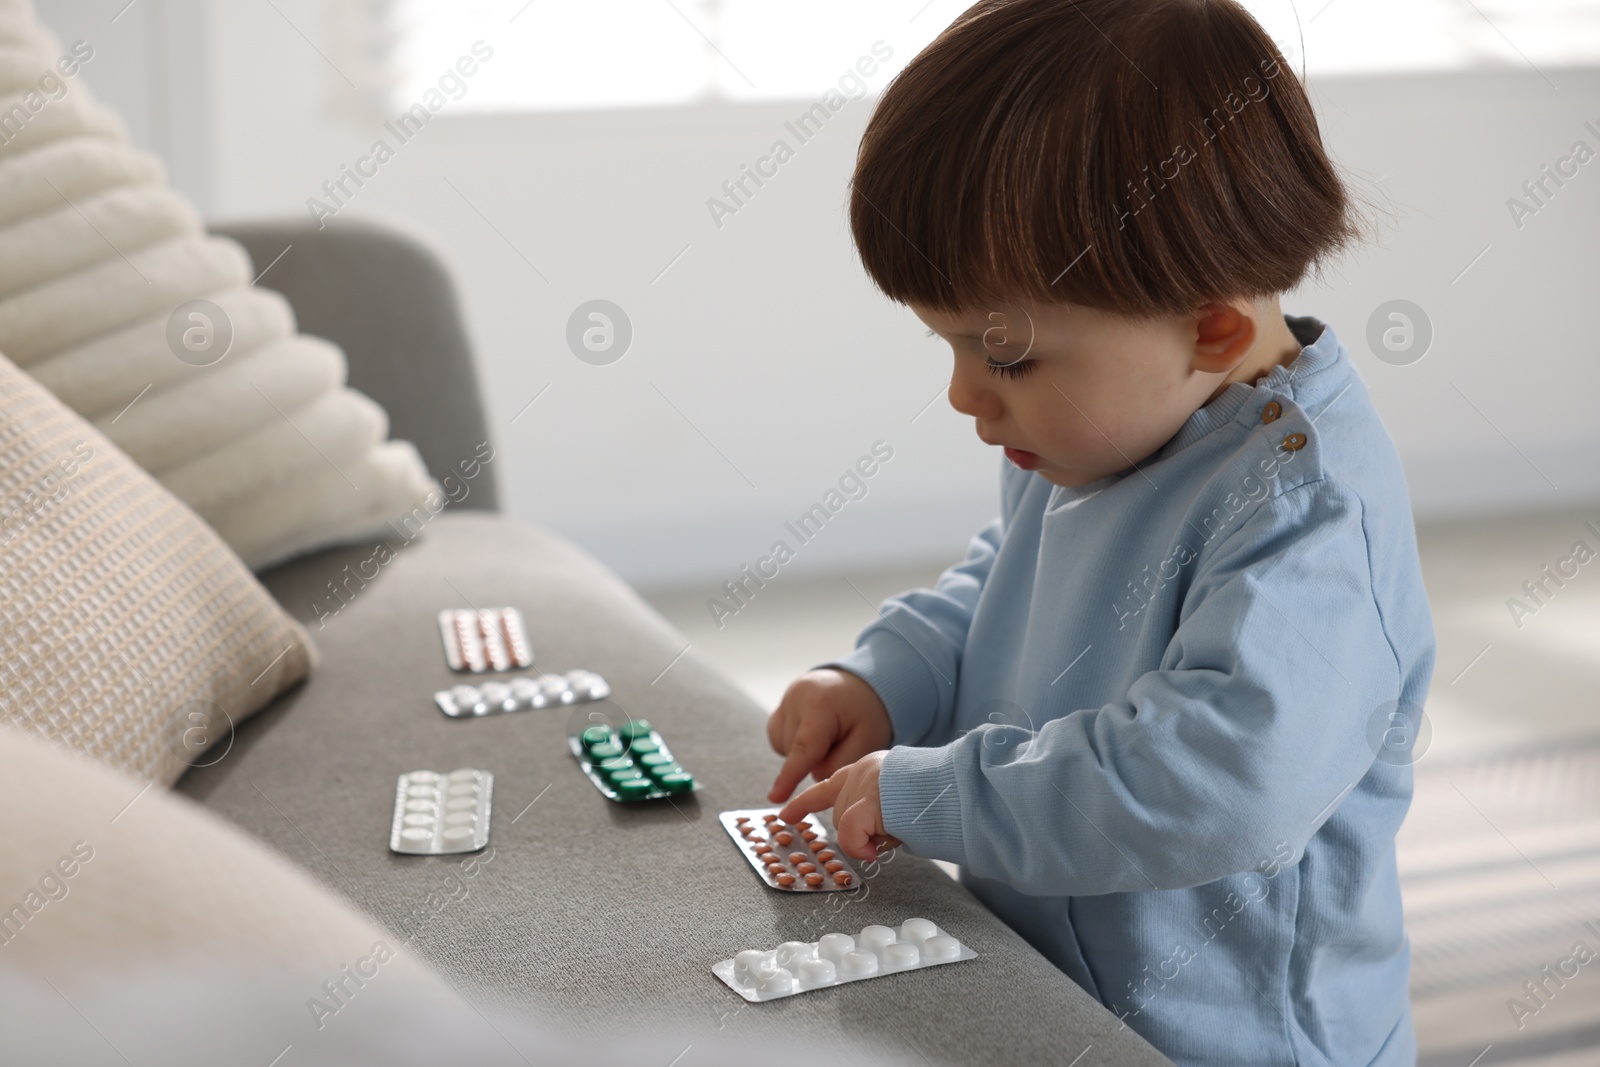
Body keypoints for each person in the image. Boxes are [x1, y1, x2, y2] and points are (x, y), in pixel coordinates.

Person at [768, 2, 1435, 1063]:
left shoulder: (1306, 515)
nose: (963, 396)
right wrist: (889, 678)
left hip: (1224, 1040)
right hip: (1055, 996)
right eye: (947, 345)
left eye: (1008, 356)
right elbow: (1011, 582)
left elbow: (1212, 783)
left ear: (1208, 325)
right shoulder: (1097, 430)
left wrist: (942, 792)